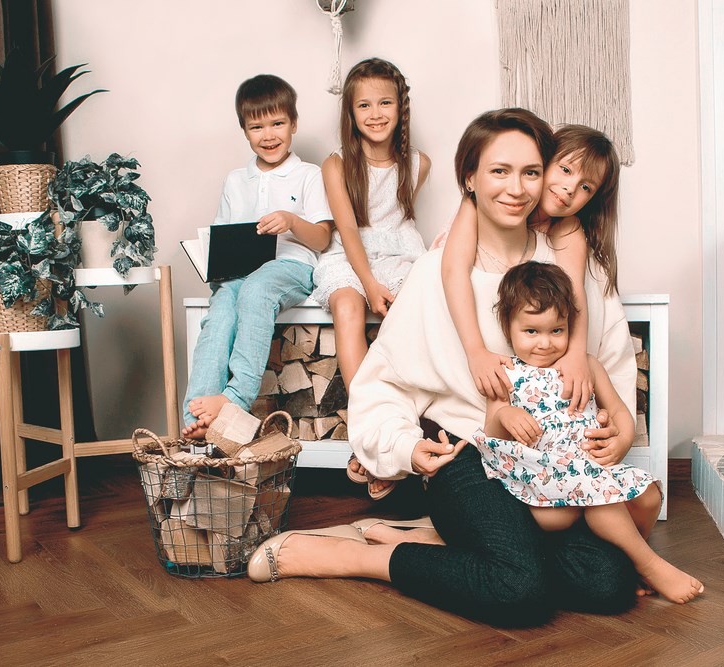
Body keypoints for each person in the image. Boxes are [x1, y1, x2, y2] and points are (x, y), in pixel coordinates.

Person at [247, 109, 642, 625]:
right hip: (468, 454)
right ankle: (359, 557)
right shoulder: (437, 270)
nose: (517, 188)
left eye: (530, 172)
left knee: (611, 582)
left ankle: (443, 540)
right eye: (499, 171)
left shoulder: (572, 261)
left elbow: (609, 361)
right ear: (470, 179)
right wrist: (405, 448)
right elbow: (383, 381)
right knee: (519, 589)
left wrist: (620, 430)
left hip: (551, 462)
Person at [479, 261, 703, 604]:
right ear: (508, 328)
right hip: (544, 485)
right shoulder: (506, 374)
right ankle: (650, 564)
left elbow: (620, 412)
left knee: (648, 497)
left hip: (591, 470)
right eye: (531, 331)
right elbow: (490, 434)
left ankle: (630, 562)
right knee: (603, 500)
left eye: (557, 330)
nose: (545, 343)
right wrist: (505, 415)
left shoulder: (587, 366)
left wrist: (622, 440)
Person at [182, 74, 333, 438]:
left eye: (277, 123)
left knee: (256, 289)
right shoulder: (236, 180)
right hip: (241, 272)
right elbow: (222, 239)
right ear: (244, 131)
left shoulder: (308, 175)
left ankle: (236, 396)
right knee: (220, 311)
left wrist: (291, 221)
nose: (268, 135)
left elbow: (322, 238)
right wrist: (215, 267)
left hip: (291, 267)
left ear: (294, 124)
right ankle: (195, 418)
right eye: (256, 127)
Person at [310, 57, 431, 499]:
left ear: (401, 107)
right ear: (350, 112)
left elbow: (398, 225)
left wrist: (388, 283)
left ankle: (398, 434)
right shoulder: (336, 164)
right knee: (348, 305)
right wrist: (369, 284)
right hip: (350, 255)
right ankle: (368, 432)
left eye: (385, 103)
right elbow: (347, 231)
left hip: (399, 255)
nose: (375, 113)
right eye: (364, 105)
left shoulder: (418, 164)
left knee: (416, 314)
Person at [441, 124, 622, 415]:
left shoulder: (567, 227)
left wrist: (576, 354)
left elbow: (574, 291)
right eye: (565, 170)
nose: (570, 188)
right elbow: (453, 270)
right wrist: (476, 352)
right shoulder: (482, 202)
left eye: (586, 187)